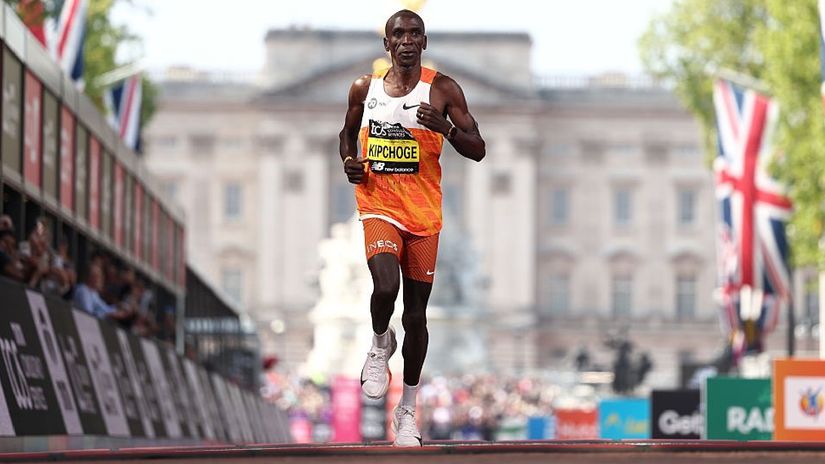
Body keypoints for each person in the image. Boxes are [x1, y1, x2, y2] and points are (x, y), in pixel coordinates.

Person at [338, 9, 485, 447]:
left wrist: (446, 129)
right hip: (378, 205)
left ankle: (407, 408)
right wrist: (349, 161)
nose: (406, 40)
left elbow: (478, 148)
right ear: (387, 44)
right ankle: (379, 343)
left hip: (423, 215)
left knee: (416, 315)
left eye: (414, 34)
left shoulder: (443, 89)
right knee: (385, 287)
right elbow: (346, 134)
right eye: (398, 34)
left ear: (424, 41)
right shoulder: (363, 88)